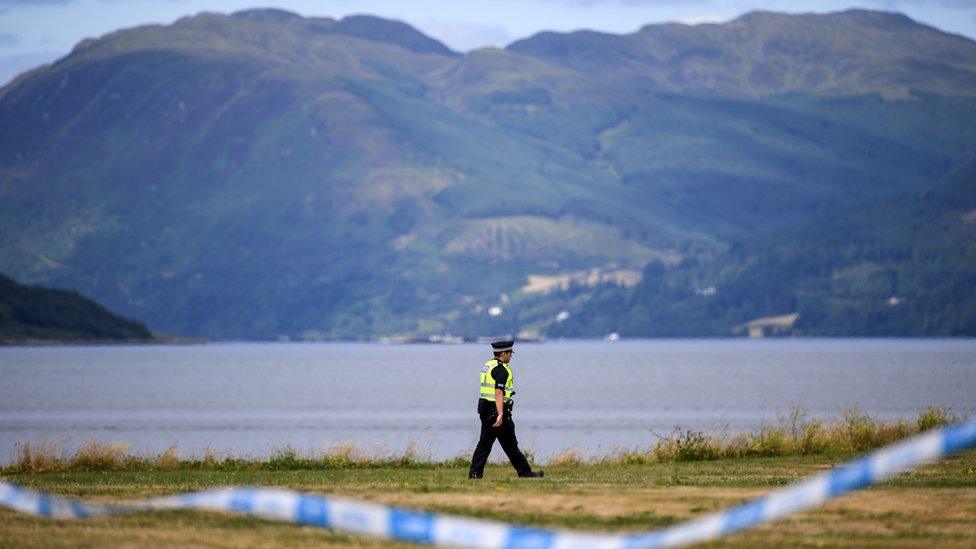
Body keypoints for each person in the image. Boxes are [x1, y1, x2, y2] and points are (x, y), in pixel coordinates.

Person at [468, 340, 544, 479]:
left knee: (484, 444)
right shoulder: (501, 370)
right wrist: (501, 413)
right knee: (510, 445)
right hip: (497, 410)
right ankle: (525, 473)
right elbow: (498, 392)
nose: (511, 356)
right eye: (510, 353)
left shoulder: (488, 365)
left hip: (485, 408)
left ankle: (474, 474)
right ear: (504, 353)